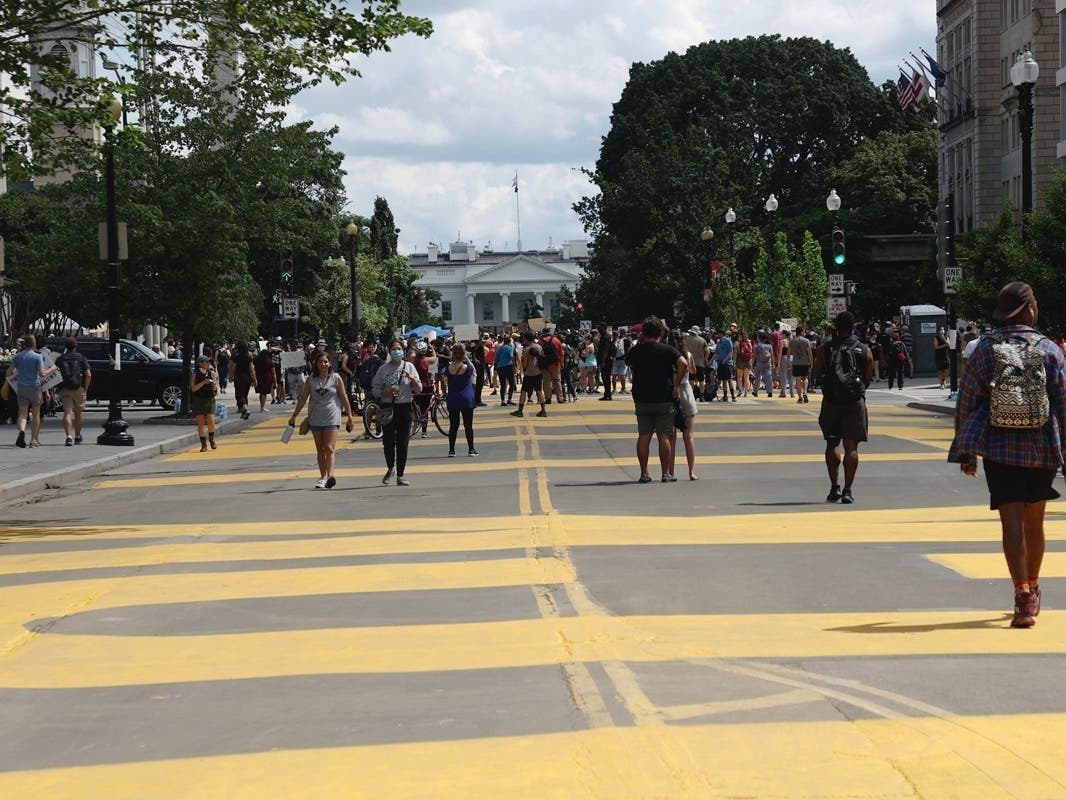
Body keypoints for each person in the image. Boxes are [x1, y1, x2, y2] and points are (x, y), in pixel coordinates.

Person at [948, 281, 1066, 628]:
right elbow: (1062, 402)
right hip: (1042, 447)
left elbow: (967, 401)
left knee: (1011, 523)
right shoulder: (1049, 350)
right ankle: (1035, 585)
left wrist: (966, 450)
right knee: (1035, 523)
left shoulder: (985, 348)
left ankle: (1022, 593)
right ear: (1030, 310)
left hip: (999, 448)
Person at [813, 311, 873, 504]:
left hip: (831, 401)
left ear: (836, 327)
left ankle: (834, 487)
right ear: (853, 326)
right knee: (851, 447)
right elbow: (868, 378)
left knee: (832, 444)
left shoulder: (826, 348)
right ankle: (848, 490)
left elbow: (818, 371)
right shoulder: (864, 350)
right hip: (854, 403)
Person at [624, 317, 687, 483]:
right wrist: (676, 385)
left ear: (644, 333)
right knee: (664, 436)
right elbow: (683, 363)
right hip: (664, 397)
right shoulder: (667, 350)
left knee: (644, 436)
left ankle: (644, 473)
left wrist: (640, 342)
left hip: (642, 397)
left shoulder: (637, 350)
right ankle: (665, 473)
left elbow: (627, 361)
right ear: (661, 332)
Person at [290, 348, 355, 488]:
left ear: (330, 363)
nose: (323, 364)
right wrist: (294, 415)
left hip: (332, 417)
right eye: (320, 362)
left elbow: (344, 398)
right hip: (315, 418)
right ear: (316, 364)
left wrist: (350, 416)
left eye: (326, 362)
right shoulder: (311, 380)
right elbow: (303, 399)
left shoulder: (336, 378)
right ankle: (322, 477)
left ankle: (331, 476)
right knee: (320, 449)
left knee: (329, 447)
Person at [371, 339, 421, 485]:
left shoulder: (409, 367)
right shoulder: (383, 369)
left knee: (403, 442)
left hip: (405, 407)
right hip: (387, 407)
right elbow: (374, 389)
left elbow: (419, 389)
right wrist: (385, 392)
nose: (397, 351)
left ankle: (400, 474)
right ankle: (390, 467)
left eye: (399, 349)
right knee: (388, 441)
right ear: (389, 351)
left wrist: (412, 380)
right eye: (394, 349)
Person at [6, 335, 58, 448]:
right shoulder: (37, 357)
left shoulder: (18, 356)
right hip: (35, 387)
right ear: (34, 344)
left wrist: (17, 373)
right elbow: (42, 374)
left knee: (23, 413)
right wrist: (53, 369)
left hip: (22, 387)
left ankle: (22, 431)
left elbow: (9, 373)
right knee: (36, 414)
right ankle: (33, 440)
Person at [668, 329, 699, 480]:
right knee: (689, 435)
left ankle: (670, 471)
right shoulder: (688, 355)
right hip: (686, 392)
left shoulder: (667, 356)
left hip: (670, 393)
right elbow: (692, 370)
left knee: (670, 437)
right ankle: (691, 471)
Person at [55, 337, 92, 446]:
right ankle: (77, 436)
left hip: (65, 388)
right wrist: (85, 388)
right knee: (78, 413)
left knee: (67, 412)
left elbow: (56, 373)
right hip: (78, 388)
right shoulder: (81, 358)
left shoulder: (60, 359)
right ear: (76, 346)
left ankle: (68, 436)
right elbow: (88, 374)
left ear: (65, 347)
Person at [445, 342, 478, 456]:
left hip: (453, 397)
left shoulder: (449, 368)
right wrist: (466, 359)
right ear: (463, 354)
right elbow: (474, 370)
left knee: (453, 426)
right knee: (468, 425)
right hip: (466, 397)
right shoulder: (467, 367)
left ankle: (451, 450)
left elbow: (445, 380)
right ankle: (471, 449)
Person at [511, 330, 548, 417]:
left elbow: (525, 364)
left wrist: (521, 369)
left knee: (523, 392)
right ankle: (543, 411)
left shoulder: (526, 349)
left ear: (526, 339)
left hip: (529, 373)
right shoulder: (539, 347)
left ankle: (520, 411)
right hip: (538, 372)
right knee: (539, 391)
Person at [190, 355, 219, 452]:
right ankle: (203, 444)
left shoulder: (211, 373)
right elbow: (193, 388)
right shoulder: (195, 374)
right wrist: (203, 382)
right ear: (200, 364)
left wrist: (214, 385)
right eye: (206, 362)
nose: (208, 364)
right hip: (199, 399)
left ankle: (212, 440)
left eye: (209, 362)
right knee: (200, 422)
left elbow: (216, 389)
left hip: (209, 398)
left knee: (211, 420)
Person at [229, 340, 256, 420]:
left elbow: (232, 368)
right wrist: (254, 379)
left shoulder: (235, 357)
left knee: (239, 394)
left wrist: (231, 376)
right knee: (245, 394)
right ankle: (244, 410)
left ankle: (245, 409)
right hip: (248, 377)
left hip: (239, 377)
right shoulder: (249, 357)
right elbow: (252, 369)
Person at [789, 328, 813, 404]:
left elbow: (788, 352)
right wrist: (811, 362)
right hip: (805, 363)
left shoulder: (792, 341)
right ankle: (805, 392)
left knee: (798, 380)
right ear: (802, 332)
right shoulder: (806, 341)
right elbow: (809, 353)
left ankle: (800, 398)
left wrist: (788, 362)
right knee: (805, 378)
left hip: (796, 362)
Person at [495, 335, 517, 406]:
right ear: (509, 342)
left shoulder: (500, 349)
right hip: (508, 367)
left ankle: (502, 400)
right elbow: (511, 356)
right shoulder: (510, 348)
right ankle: (509, 399)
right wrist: (514, 366)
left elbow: (496, 359)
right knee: (511, 383)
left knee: (503, 384)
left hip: (500, 368)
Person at [254, 345, 276, 411]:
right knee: (264, 393)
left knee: (261, 392)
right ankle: (262, 407)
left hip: (258, 377)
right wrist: (275, 382)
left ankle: (262, 406)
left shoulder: (256, 360)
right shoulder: (269, 362)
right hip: (267, 378)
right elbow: (273, 373)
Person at [596, 324, 615, 400]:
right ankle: (607, 394)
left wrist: (603, 361)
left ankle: (608, 394)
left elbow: (606, 351)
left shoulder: (606, 337)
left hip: (606, 361)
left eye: (599, 328)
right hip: (605, 360)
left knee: (606, 377)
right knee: (605, 378)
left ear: (603, 328)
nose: (598, 329)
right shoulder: (604, 337)